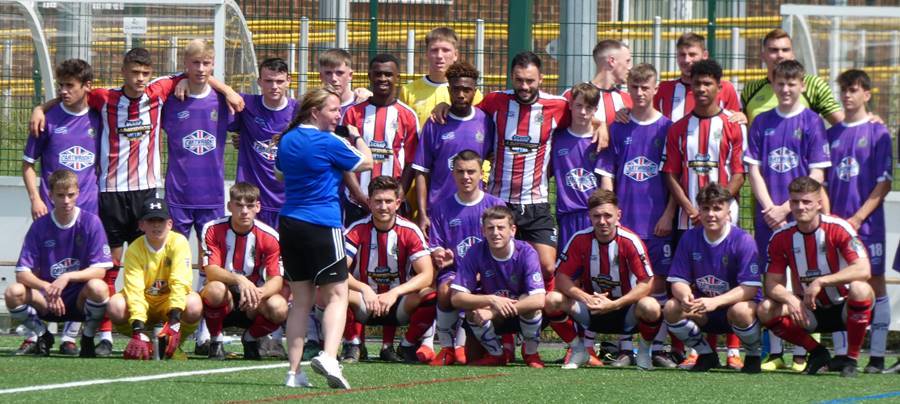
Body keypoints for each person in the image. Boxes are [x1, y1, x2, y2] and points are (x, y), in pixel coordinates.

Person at [29, 48, 242, 355]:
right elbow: (75, 93)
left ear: (150, 74)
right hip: (112, 191)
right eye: (134, 73)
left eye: (145, 73)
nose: (140, 79)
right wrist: (40, 108)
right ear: (124, 72)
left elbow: (198, 72)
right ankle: (102, 334)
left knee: (155, 261)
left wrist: (227, 89)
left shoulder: (160, 89)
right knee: (111, 262)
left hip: (147, 191)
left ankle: (165, 324)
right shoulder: (105, 97)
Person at [275, 88, 372, 389]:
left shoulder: (287, 139)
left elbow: (280, 174)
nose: (338, 116)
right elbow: (366, 162)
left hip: (290, 224)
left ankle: (294, 373)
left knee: (300, 301)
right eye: (333, 110)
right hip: (322, 224)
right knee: (337, 296)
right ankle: (330, 356)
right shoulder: (330, 141)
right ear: (315, 112)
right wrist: (355, 136)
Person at [744, 60, 832, 371]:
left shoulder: (812, 121)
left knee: (805, 281)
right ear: (773, 84)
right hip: (769, 216)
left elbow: (818, 172)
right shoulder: (761, 121)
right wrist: (770, 208)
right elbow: (753, 169)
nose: (785, 89)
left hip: (801, 215)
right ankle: (777, 353)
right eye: (780, 83)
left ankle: (805, 352)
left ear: (802, 86)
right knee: (775, 281)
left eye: (791, 84)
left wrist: (787, 207)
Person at [596, 63, 677, 369]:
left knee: (657, 286)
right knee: (626, 286)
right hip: (626, 225)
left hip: (657, 224)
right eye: (635, 88)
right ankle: (625, 348)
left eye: (646, 88)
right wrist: (613, 217)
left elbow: (673, 178)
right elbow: (607, 175)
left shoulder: (668, 128)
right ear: (626, 90)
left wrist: (669, 214)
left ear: (656, 89)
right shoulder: (618, 127)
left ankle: (655, 347)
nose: (640, 93)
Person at [21, 58, 102, 355]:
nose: (65, 91)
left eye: (70, 86)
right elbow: (28, 166)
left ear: (86, 87)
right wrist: (35, 198)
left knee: (82, 269)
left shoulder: (100, 116)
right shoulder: (46, 119)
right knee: (45, 264)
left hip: (88, 210)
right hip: (50, 210)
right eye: (61, 86)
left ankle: (71, 333)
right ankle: (39, 331)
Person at [758, 176, 873, 378]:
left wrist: (821, 281)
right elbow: (771, 284)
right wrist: (791, 299)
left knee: (861, 288)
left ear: (819, 204)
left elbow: (864, 269)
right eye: (795, 202)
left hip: (845, 306)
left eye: (807, 201)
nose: (800, 207)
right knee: (766, 309)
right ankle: (817, 352)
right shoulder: (781, 237)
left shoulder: (838, 228)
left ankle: (851, 360)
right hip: (809, 311)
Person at [546, 189, 660, 370]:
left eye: (608, 215)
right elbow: (561, 277)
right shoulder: (580, 239)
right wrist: (585, 297)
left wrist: (615, 304)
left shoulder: (630, 241)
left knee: (651, 306)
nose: (602, 221)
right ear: (589, 217)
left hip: (625, 312)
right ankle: (579, 350)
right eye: (596, 216)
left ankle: (644, 353)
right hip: (592, 309)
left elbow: (647, 283)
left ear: (618, 215)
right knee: (552, 300)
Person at [826, 69, 893, 373]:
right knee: (840, 286)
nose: (847, 96)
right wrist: (832, 221)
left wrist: (856, 217)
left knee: (875, 283)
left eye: (853, 90)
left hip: (867, 225)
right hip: (838, 227)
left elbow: (884, 183)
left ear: (866, 94)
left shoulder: (878, 133)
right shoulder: (832, 134)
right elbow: (822, 185)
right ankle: (843, 353)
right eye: (844, 90)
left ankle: (877, 356)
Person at [5, 169, 112, 357]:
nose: (66, 201)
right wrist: (46, 287)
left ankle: (87, 337)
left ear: (78, 193)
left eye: (70, 195)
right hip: (46, 300)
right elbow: (22, 273)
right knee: (13, 292)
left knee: (99, 288)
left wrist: (67, 276)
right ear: (50, 195)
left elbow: (100, 270)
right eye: (60, 195)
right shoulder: (39, 226)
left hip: (78, 299)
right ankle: (43, 334)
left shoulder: (91, 222)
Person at [664, 183, 763, 373]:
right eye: (706, 208)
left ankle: (752, 355)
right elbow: (677, 280)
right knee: (671, 308)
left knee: (742, 311)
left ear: (728, 213)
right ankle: (706, 354)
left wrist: (716, 301)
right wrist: (685, 295)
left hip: (734, 310)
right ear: (699, 211)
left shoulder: (743, 240)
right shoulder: (689, 238)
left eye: (717, 208)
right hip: (704, 309)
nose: (711, 214)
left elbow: (750, 288)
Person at [341, 176, 436, 363]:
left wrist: (395, 292)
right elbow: (339, 271)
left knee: (431, 295)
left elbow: (427, 274)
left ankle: (407, 345)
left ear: (398, 203)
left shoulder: (410, 230)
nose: (383, 207)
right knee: (331, 292)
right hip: (365, 302)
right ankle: (353, 343)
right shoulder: (356, 229)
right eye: (377, 201)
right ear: (369, 202)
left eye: (388, 201)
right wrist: (364, 289)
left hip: (398, 302)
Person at [427, 150, 506, 366]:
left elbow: (506, 245)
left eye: (471, 172)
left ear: (481, 174)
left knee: (472, 356)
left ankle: (504, 345)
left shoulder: (495, 205)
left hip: (490, 272)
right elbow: (435, 246)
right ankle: (446, 348)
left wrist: (483, 271)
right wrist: (441, 255)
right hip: (456, 271)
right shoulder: (442, 208)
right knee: (445, 291)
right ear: (453, 174)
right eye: (460, 172)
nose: (466, 177)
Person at [450, 206, 547, 368]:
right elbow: (456, 298)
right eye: (490, 228)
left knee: (533, 305)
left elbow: (538, 299)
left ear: (512, 230)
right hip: (492, 315)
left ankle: (530, 353)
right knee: (471, 315)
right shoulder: (475, 252)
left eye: (501, 227)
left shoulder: (526, 252)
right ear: (483, 231)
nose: (495, 233)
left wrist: (494, 310)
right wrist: (491, 299)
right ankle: (496, 354)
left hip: (520, 312)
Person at [107, 197, 203, 360]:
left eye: (161, 220)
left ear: (170, 224)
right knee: (115, 305)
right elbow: (134, 290)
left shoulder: (179, 242)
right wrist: (137, 328)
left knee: (194, 303)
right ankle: (143, 340)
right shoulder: (134, 249)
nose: (156, 225)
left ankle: (175, 341)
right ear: (141, 225)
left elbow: (179, 282)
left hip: (168, 303)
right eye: (151, 221)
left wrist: (174, 320)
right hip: (145, 302)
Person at [200, 182, 287, 360]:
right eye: (239, 205)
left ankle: (251, 338)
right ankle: (215, 340)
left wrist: (259, 293)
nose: (244, 211)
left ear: (258, 207)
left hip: (253, 302)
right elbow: (211, 271)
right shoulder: (212, 229)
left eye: (249, 205)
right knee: (215, 289)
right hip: (224, 299)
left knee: (280, 307)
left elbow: (276, 280)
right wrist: (240, 280)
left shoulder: (270, 236)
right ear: (229, 206)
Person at [662, 59, 746, 232]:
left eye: (707, 84)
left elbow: (739, 175)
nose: (701, 89)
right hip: (689, 218)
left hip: (725, 217)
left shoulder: (734, 125)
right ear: (691, 87)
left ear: (719, 88)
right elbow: (671, 175)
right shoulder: (677, 128)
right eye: (697, 83)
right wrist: (691, 210)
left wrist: (715, 207)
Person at [413, 61, 494, 235]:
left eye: (466, 90)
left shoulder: (485, 122)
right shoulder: (435, 123)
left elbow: (494, 158)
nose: (461, 95)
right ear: (449, 90)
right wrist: (422, 213)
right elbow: (421, 171)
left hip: (476, 210)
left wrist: (486, 183)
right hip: (439, 209)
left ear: (475, 91)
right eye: (456, 89)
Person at [163, 39, 232, 242]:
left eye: (206, 63)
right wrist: (182, 80)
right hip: (178, 196)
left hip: (212, 196)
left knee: (211, 259)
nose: (201, 69)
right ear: (185, 63)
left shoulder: (223, 101)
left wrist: (228, 90)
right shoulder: (171, 101)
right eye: (195, 63)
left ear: (213, 64)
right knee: (175, 257)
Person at [341, 53, 419, 225]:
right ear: (370, 76)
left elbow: (411, 163)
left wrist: (398, 196)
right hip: (357, 203)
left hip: (391, 204)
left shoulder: (408, 115)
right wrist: (361, 197)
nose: (383, 78)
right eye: (378, 74)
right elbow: (344, 160)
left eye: (388, 74)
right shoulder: (353, 113)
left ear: (397, 77)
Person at [228, 58, 297, 230]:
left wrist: (363, 93)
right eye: (268, 81)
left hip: (288, 199)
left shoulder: (299, 111)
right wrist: (184, 80)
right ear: (259, 81)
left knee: (284, 255)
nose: (274, 86)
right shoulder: (245, 104)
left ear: (289, 81)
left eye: (280, 81)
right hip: (251, 201)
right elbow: (207, 89)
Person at [741, 28, 843, 125]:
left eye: (785, 50)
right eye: (774, 50)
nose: (780, 55)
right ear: (762, 56)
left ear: (792, 55)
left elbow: (841, 124)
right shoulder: (751, 89)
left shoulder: (813, 85)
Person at [654, 33, 742, 123]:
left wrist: (742, 117)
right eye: (682, 54)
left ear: (704, 55)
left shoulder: (725, 88)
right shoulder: (663, 89)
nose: (686, 60)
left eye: (692, 54)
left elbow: (734, 124)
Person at [563, 39, 632, 125]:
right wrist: (599, 124)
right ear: (612, 61)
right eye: (627, 61)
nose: (630, 67)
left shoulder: (628, 99)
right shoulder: (573, 94)